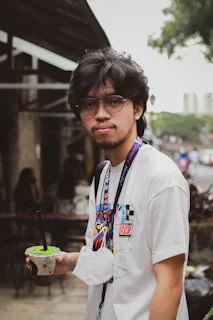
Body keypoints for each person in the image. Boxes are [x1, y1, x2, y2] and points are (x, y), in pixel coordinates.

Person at [26, 48, 190, 319]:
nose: (100, 113)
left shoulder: (161, 179)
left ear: (137, 108)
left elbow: (171, 284)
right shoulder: (103, 175)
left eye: (113, 101)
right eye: (89, 104)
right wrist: (67, 262)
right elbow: (109, 258)